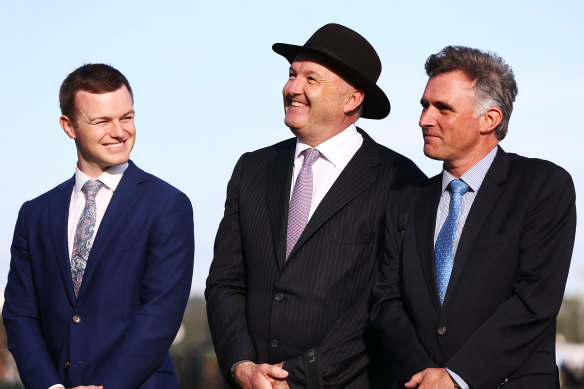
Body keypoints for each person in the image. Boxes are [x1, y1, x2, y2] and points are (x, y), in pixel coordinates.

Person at [205, 23, 425, 388]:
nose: (292, 87)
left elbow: (384, 302)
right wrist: (241, 367)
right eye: (292, 74)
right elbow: (225, 283)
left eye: (311, 78)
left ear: (352, 99)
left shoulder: (400, 181)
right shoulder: (252, 169)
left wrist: (300, 377)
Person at [371, 45, 577, 389]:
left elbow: (535, 301)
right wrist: (427, 377)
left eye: (443, 108)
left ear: (490, 119)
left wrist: (457, 377)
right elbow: (385, 302)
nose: (425, 119)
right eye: (424, 105)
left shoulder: (543, 186)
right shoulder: (406, 199)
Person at [2, 64, 194, 389]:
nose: (119, 131)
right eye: (102, 120)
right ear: (69, 126)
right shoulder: (35, 215)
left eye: (127, 117)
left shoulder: (167, 205)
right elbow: (20, 314)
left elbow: (160, 315)